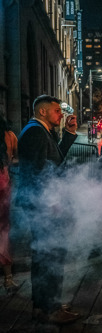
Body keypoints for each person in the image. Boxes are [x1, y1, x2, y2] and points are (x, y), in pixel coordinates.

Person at [17, 95, 79, 324]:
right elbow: (38, 175)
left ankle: (44, 305)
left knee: (46, 256)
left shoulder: (41, 130)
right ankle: (49, 309)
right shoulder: (34, 132)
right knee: (50, 256)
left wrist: (69, 135)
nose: (61, 115)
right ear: (43, 112)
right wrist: (51, 203)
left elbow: (54, 161)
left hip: (44, 205)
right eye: (57, 111)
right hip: (44, 206)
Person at [0, 115, 20, 295]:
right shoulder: (10, 136)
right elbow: (15, 159)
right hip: (3, 184)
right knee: (4, 232)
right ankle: (8, 279)